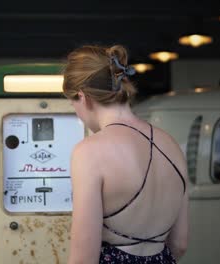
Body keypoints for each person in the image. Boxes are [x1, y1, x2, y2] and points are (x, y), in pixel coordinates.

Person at [63, 45, 189, 264]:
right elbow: (180, 243)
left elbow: (84, 258)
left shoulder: (89, 152)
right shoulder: (172, 145)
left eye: (73, 104)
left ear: (83, 97)